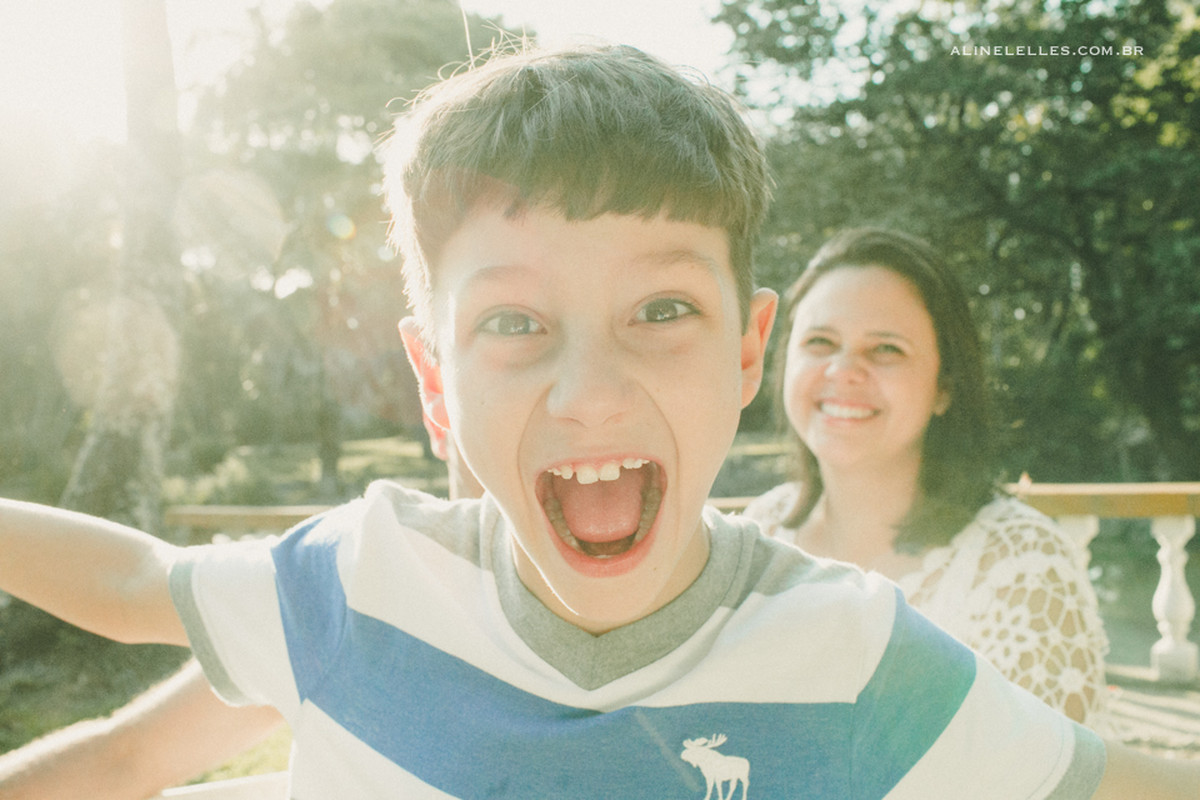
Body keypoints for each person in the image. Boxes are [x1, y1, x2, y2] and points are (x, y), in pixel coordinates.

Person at [0, 43, 1196, 798]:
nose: (589, 389)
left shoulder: (853, 654)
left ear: (743, 349)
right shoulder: (363, 582)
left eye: (660, 307)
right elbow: (133, 591)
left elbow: (1106, 781)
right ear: (432, 375)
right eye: (515, 323)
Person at [742, 227, 1111, 727]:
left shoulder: (1020, 570)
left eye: (886, 349)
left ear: (945, 387)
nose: (843, 370)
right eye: (821, 342)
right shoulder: (756, 535)